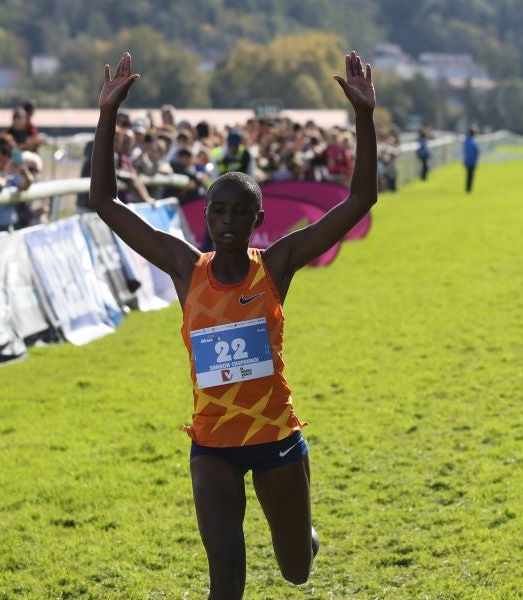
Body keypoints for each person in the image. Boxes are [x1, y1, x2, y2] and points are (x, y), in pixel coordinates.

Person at [90, 51, 377, 598]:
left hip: (276, 440)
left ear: (257, 221)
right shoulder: (183, 267)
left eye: (238, 213)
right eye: (217, 211)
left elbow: (361, 198)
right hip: (213, 445)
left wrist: (363, 116)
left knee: (295, 570)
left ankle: (304, 539)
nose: (225, 222)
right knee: (226, 572)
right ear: (207, 215)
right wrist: (109, 114)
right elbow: (104, 200)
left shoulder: (278, 266)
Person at [463, 126, 479, 193]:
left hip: (467, 161)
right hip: (471, 162)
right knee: (470, 176)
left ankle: (468, 188)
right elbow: (476, 152)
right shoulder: (472, 142)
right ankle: (469, 189)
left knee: (468, 176)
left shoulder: (467, 141)